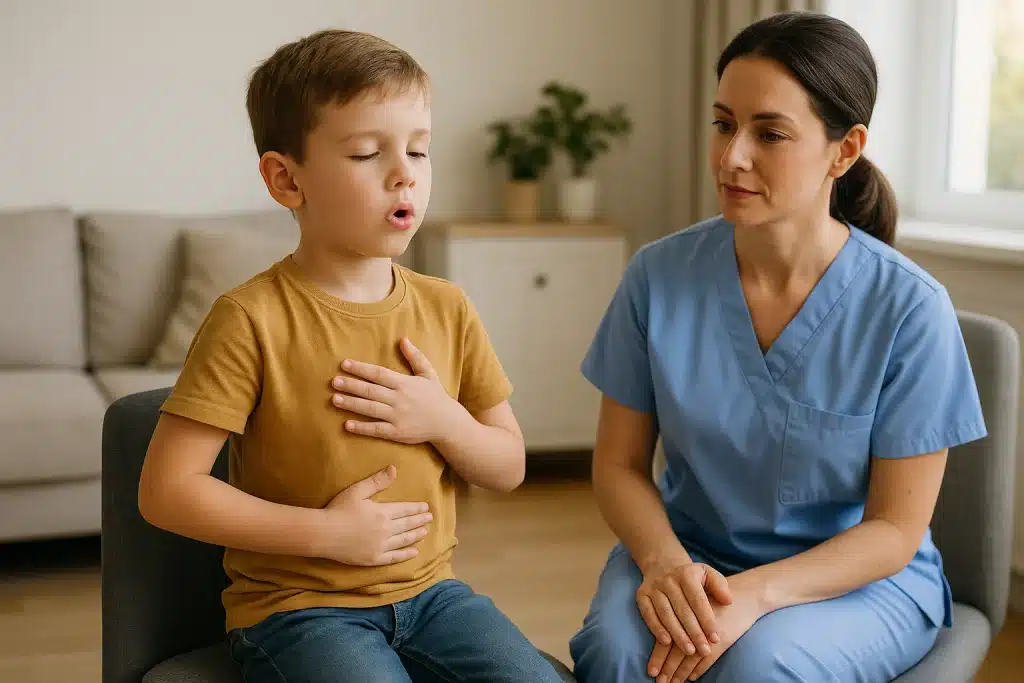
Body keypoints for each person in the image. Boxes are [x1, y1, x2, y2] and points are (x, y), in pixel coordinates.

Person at [568, 11, 987, 683]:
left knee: (756, 663)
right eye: (724, 123)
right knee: (620, 656)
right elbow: (618, 464)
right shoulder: (658, 276)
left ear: (843, 151)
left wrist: (756, 598)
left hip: (853, 581)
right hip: (688, 554)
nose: (732, 156)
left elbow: (893, 529)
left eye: (770, 133)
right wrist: (666, 562)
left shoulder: (910, 309)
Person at [137, 29, 564, 683]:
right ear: (286, 179)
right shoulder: (250, 319)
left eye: (419, 150)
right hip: (298, 609)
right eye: (368, 152)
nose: (405, 172)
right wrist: (327, 535)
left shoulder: (447, 307)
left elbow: (507, 466)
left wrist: (443, 420)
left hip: (433, 596)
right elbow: (168, 491)